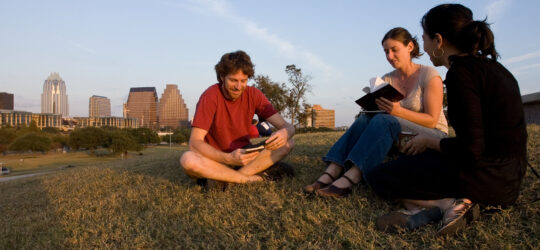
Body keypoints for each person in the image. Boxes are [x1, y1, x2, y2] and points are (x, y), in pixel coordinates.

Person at [368, 4, 528, 235]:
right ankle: (431, 208)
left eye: (425, 39)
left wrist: (429, 141)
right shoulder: (494, 68)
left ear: (438, 41)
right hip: (508, 181)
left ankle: (446, 205)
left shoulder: (461, 74)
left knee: (379, 176)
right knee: (416, 164)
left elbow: (471, 149)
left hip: (485, 180)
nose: (423, 46)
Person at [303, 27, 448, 198]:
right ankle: (333, 170)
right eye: (386, 52)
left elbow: (431, 120)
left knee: (385, 120)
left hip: (431, 136)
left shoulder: (428, 74)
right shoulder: (387, 79)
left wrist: (397, 111)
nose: (390, 56)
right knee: (367, 117)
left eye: (394, 50)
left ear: (409, 47)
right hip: (400, 136)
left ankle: (351, 177)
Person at [180, 50, 295, 185]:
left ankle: (227, 179)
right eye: (233, 80)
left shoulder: (253, 94)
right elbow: (195, 143)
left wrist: (284, 132)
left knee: (288, 142)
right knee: (188, 160)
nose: (238, 86)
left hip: (245, 155)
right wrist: (228, 159)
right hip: (216, 157)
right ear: (222, 77)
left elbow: (288, 127)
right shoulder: (210, 96)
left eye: (243, 81)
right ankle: (252, 179)